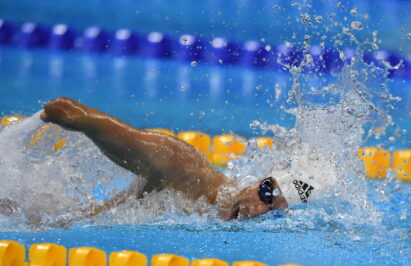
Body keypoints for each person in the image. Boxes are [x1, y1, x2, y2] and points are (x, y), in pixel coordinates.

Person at [40, 97, 292, 221]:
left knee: (78, 219)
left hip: (156, 190)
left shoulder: (216, 211)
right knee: (73, 115)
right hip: (170, 160)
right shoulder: (183, 167)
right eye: (265, 194)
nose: (258, 208)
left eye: (269, 209)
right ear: (255, 182)